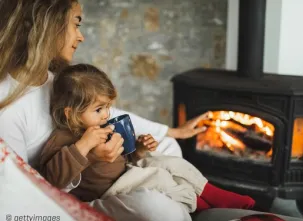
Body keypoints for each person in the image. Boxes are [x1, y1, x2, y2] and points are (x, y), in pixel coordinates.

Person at [0, 1, 207, 220]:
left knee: (167, 144)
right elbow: (23, 193)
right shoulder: (7, 108)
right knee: (158, 208)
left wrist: (171, 131)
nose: (81, 37)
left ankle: (174, 198)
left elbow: (109, 113)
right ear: (48, 25)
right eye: (75, 24)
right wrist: (89, 156)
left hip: (99, 177)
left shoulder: (52, 81)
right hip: (66, 199)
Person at [39, 63, 255, 213]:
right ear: (71, 113)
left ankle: (214, 193)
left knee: (169, 162)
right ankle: (203, 208)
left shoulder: (101, 125)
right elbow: (53, 179)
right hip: (110, 189)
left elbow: (123, 159)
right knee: (160, 178)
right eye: (98, 109)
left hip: (127, 171)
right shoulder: (60, 140)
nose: (106, 114)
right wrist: (83, 147)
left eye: (107, 107)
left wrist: (139, 150)